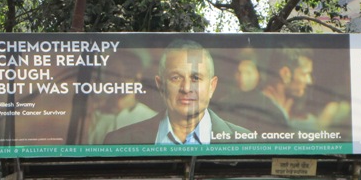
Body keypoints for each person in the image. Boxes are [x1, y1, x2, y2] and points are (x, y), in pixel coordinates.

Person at [104, 39, 250, 145]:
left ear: (212, 86)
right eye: (176, 78)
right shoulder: (119, 141)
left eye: (196, 78)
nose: (186, 88)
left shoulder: (244, 140)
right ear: (160, 86)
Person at [86, 51, 157, 144]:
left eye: (127, 73)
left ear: (138, 77)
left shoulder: (152, 119)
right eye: (114, 74)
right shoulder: (93, 119)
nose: (121, 80)